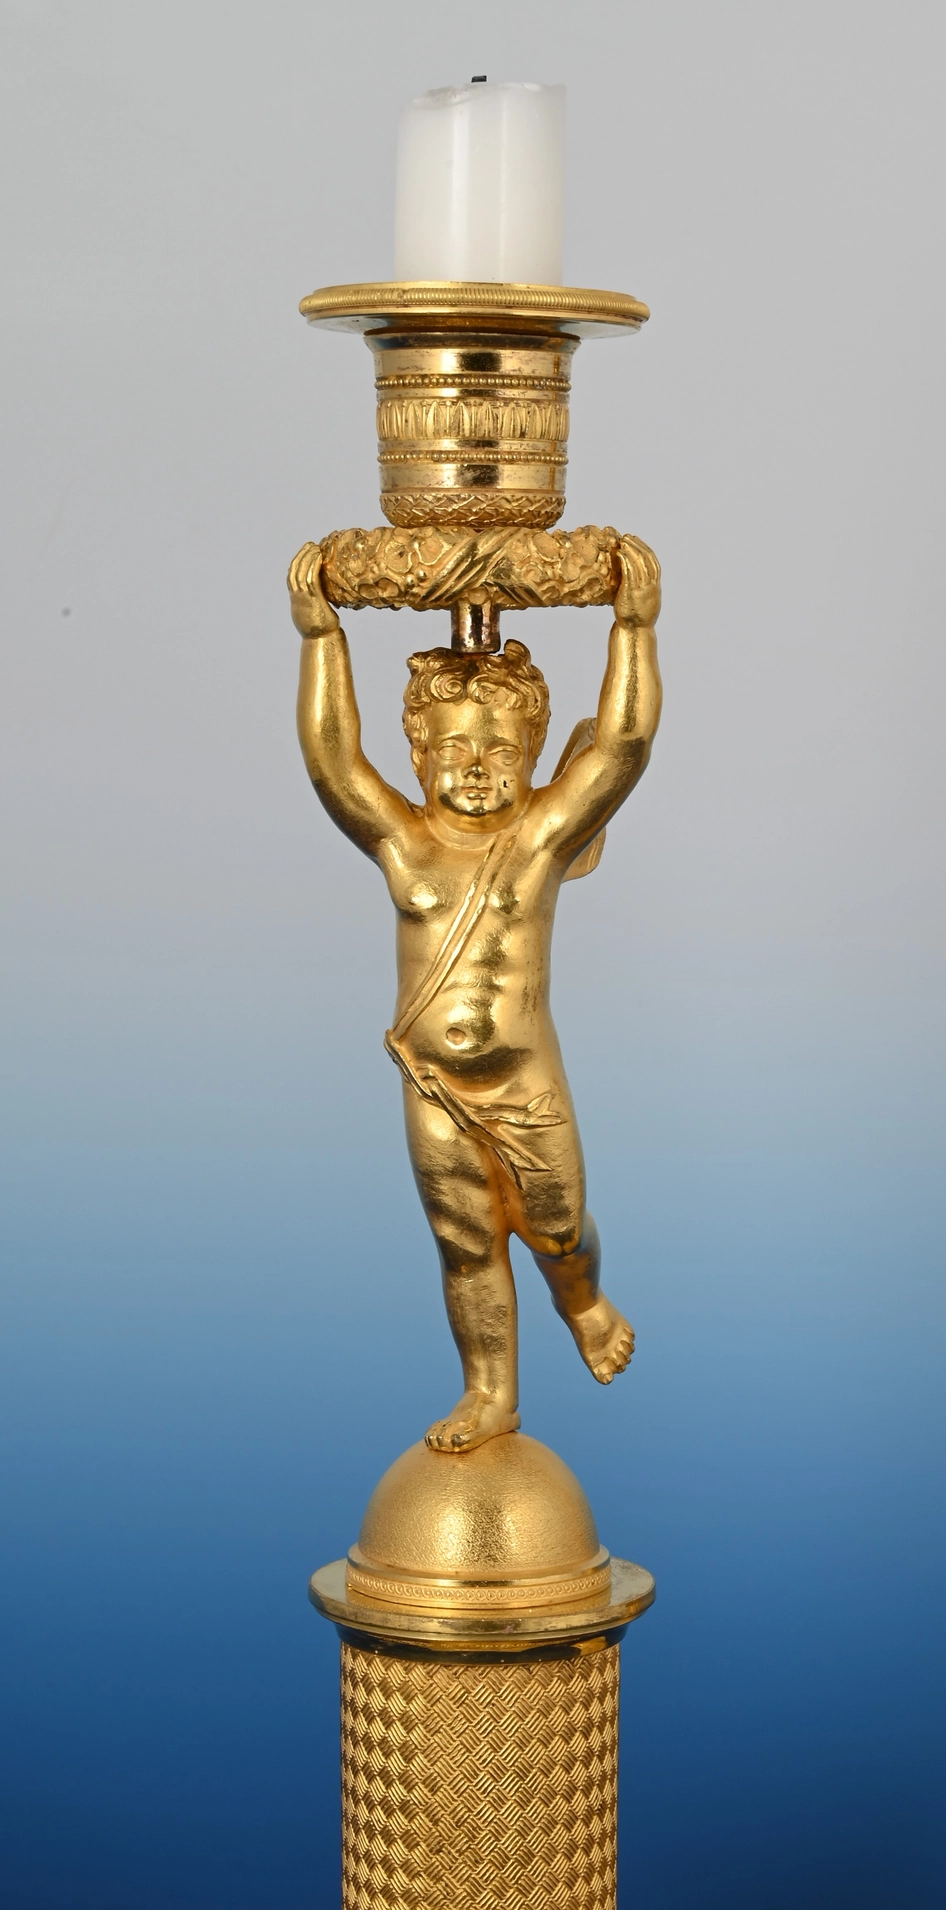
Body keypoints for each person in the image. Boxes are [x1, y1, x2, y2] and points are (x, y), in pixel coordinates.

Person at [288, 536, 662, 1451]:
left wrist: (634, 627)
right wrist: (321, 638)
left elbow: (622, 746)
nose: (476, 765)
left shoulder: (537, 841)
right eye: (452, 746)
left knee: (557, 1227)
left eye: (501, 748)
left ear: (534, 754)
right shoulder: (405, 846)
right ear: (416, 754)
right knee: (466, 1242)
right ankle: (490, 1390)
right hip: (434, 1087)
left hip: (523, 1086)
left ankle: (584, 1301)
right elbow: (333, 761)